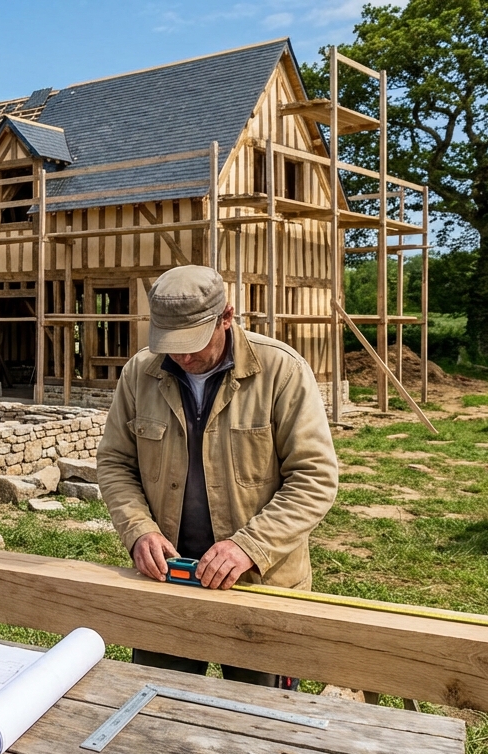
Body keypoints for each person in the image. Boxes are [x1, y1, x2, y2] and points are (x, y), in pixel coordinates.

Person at [95, 264, 337, 687]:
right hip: (168, 579)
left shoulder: (281, 371)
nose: (181, 357)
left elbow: (314, 478)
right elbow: (116, 463)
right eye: (170, 345)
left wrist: (249, 546)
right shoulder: (141, 373)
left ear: (227, 317)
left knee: (261, 721)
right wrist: (138, 530)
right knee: (160, 709)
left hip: (261, 583)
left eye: (192, 343)